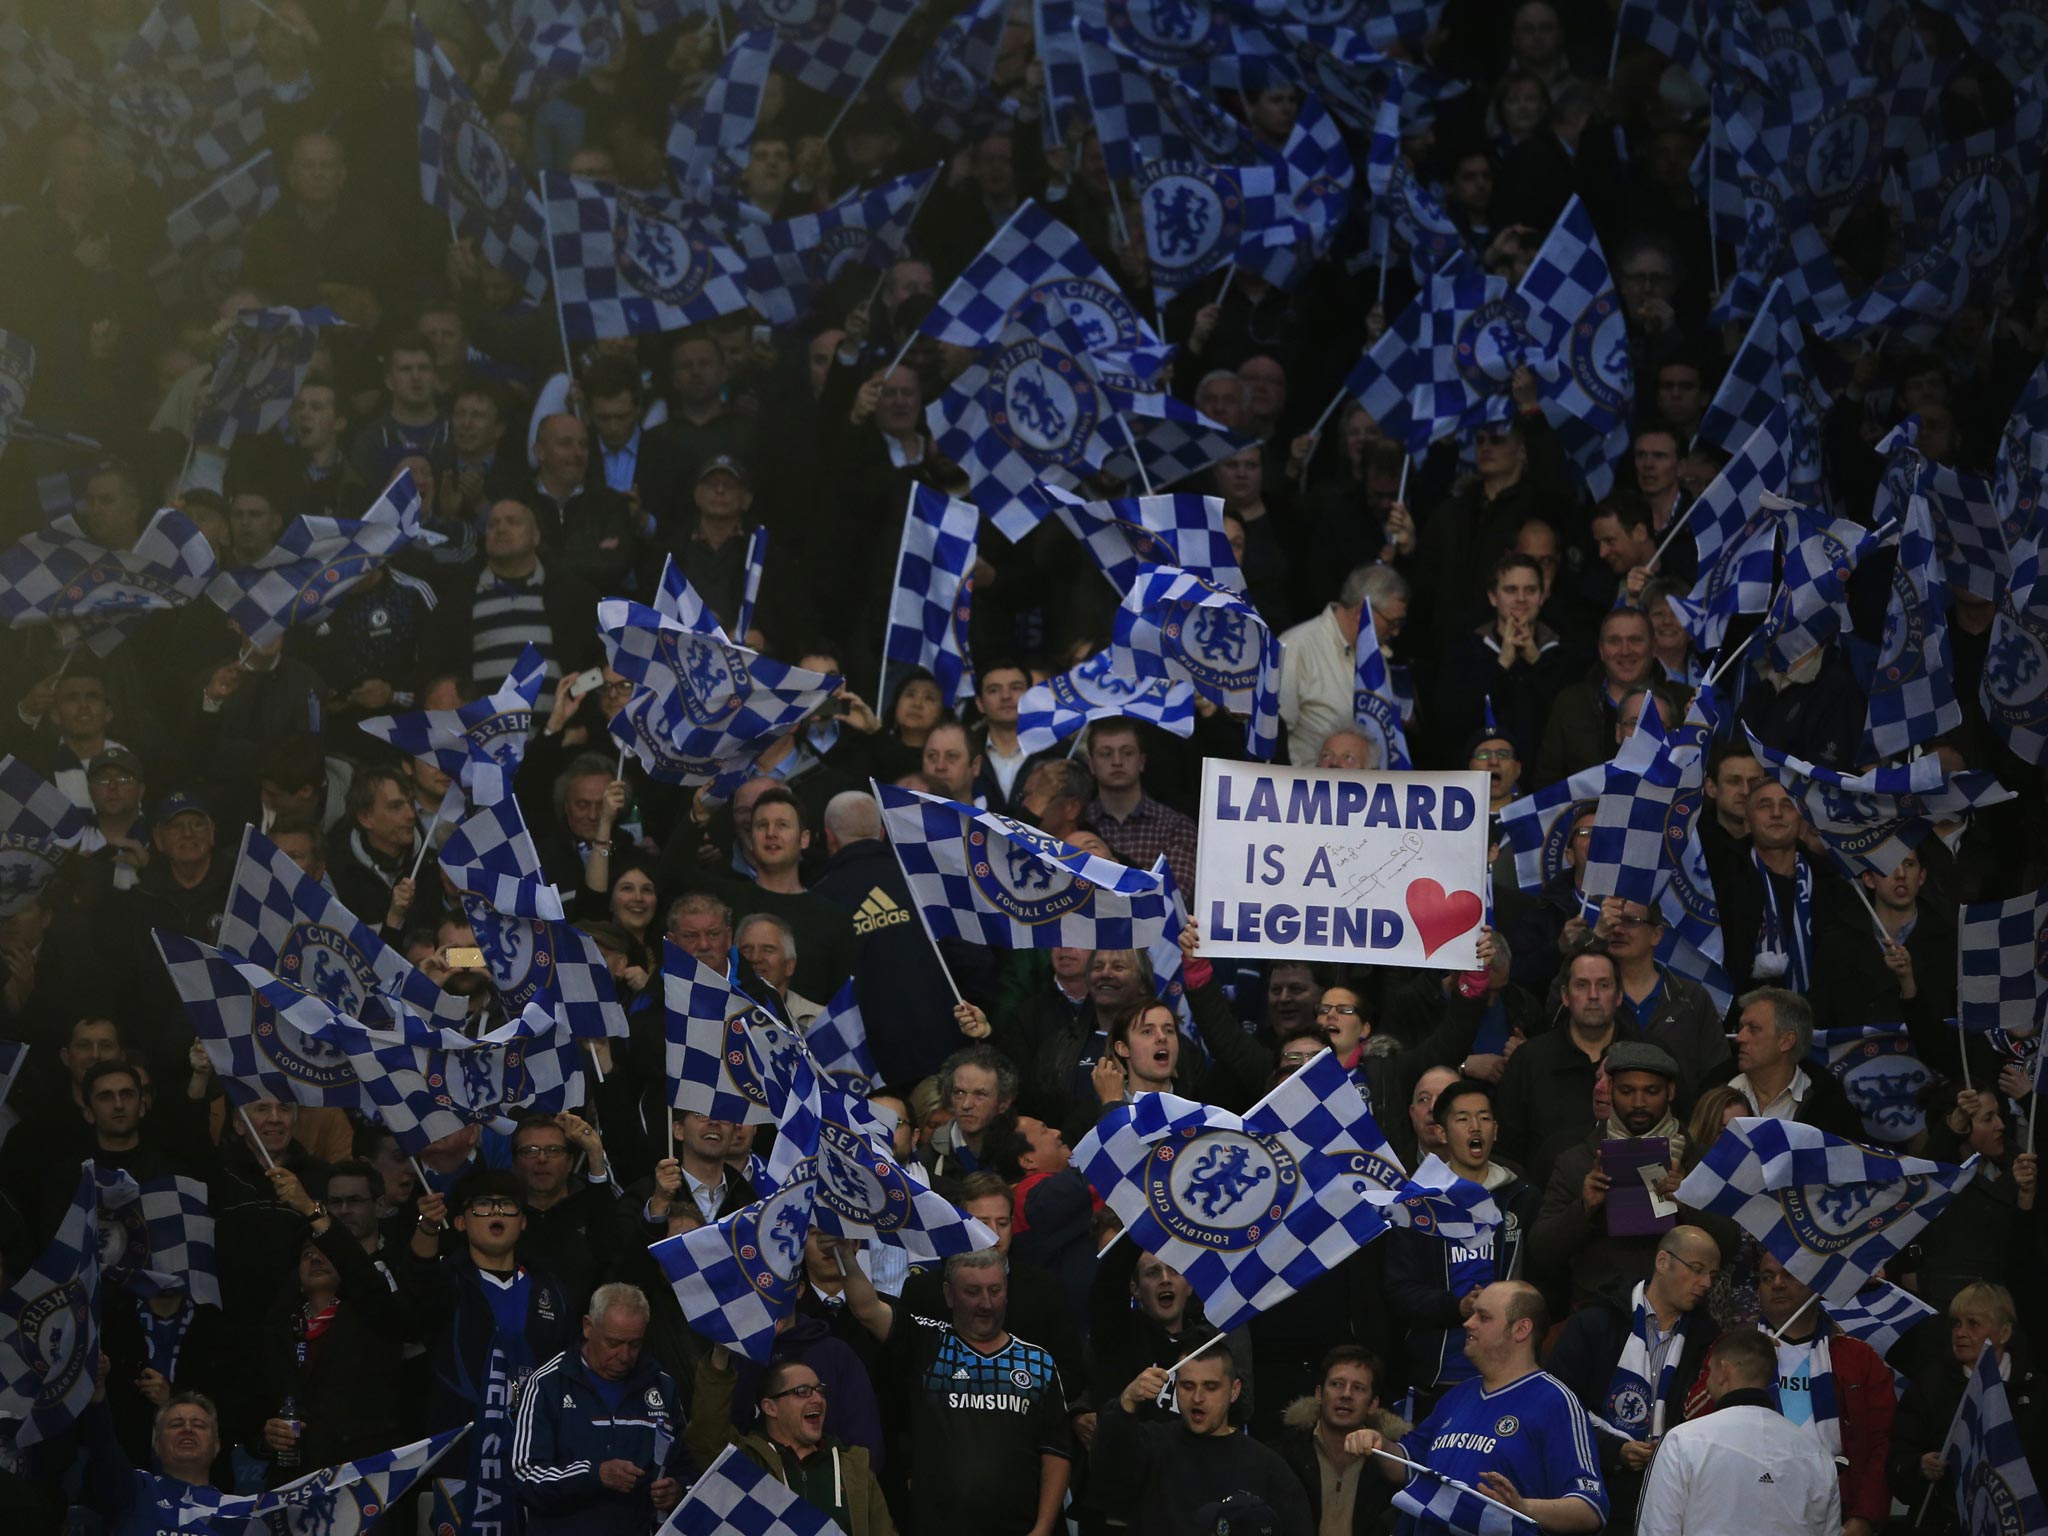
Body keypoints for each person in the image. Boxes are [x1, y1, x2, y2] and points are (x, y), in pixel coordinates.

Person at [836, 1246, 1072, 1536]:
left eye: (995, 1290)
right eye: (972, 1291)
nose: (986, 1303)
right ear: (948, 1294)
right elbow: (866, 1309)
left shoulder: (1038, 1362)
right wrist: (846, 1257)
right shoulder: (928, 1342)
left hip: (1019, 1528)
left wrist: (1043, 1529)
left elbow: (1057, 1452)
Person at [1343, 1282, 1608, 1533]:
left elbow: (1590, 1509)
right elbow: (1407, 1465)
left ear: (1521, 1329)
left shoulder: (1555, 1401)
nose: (1468, 1322)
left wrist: (1523, 1507)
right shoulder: (1456, 1396)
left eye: (1483, 1317)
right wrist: (1378, 1445)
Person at [1682, 1251, 1894, 1536]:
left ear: (1816, 1285)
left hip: (1833, 1509)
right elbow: (1692, 1421)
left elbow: (1884, 1443)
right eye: (1767, 1277)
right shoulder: (1733, 1347)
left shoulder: (1857, 1356)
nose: (1777, 1284)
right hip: (1745, 1506)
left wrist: (1864, 1518)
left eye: (1790, 1274)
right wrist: (1745, 1362)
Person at [1548, 1226, 1723, 1532]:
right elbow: (1555, 1408)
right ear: (1662, 1262)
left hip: (1670, 1494)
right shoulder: (1595, 1322)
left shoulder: (1707, 1340)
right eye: (1697, 1270)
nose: (1706, 1283)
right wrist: (1613, 1449)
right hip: (1590, 1486)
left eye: (1712, 1274)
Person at [1385, 1079, 1540, 1409]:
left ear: (1495, 1130)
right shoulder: (1417, 1204)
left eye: (1484, 1118)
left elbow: (1544, 1278)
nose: (1475, 1127)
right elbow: (1399, 1292)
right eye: (1462, 1118)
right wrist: (1458, 1307)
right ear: (1441, 1133)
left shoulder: (1521, 1198)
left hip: (1510, 1373)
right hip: (1438, 1377)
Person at [511, 1283, 684, 1535]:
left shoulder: (662, 1386)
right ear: (588, 1327)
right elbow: (525, 1478)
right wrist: (595, 1474)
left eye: (635, 1344)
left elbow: (686, 1467)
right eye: (613, 1343)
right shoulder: (548, 1383)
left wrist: (677, 1490)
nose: (624, 1355)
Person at [1530, 1042, 1690, 1310]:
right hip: (1599, 1314)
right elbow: (1541, 1251)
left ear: (1670, 1091)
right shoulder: (1578, 1162)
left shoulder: (1696, 1159)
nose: (1639, 1103)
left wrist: (1689, 1198)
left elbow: (1728, 1241)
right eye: (1627, 1091)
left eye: (1651, 1091)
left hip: (1681, 1313)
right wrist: (1584, 1207)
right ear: (1612, 1089)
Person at [1637, 1327, 1842, 1536]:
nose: (1707, 1381)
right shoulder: (1818, 1456)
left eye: (1709, 1370)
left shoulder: (1681, 1442)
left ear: (1723, 1371)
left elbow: (1655, 1530)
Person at [1095, 1349, 1314, 1536]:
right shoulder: (1151, 1444)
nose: (1197, 1397)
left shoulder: (1268, 1468)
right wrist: (1127, 1402)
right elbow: (1105, 1473)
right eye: (1188, 1386)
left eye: (1211, 1387)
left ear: (1234, 1390)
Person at [682, 1350, 897, 1535]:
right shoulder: (746, 1461)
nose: (817, 1399)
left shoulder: (854, 1469)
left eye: (820, 1390)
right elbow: (706, 1434)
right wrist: (720, 1357)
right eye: (802, 1391)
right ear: (770, 1407)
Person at [1274, 1347, 1407, 1536]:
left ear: (1373, 1404)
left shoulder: (1389, 1463)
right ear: (1319, 1394)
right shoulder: (1284, 1453)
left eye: (1358, 1388)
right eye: (1337, 1384)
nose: (1346, 1394)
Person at [1082, 720, 1199, 896]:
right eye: (1106, 754)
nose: (1117, 761)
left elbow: (1173, 899)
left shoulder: (1176, 826)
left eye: (1127, 753)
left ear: (1142, 761)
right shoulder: (1078, 823)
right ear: (1091, 764)